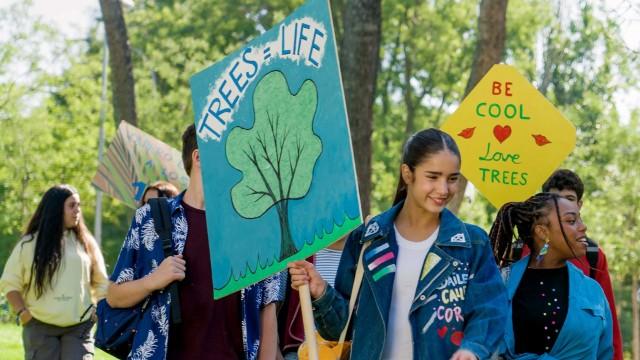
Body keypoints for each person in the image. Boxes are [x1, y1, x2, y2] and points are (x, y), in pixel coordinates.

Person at [288, 128, 508, 360]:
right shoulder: (367, 240)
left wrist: (472, 348)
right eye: (432, 177)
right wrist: (321, 291)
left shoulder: (472, 244)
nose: (444, 190)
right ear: (407, 173)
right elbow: (342, 329)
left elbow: (491, 309)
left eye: (452, 179)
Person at [106, 124, 285, 360]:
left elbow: (268, 309)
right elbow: (114, 296)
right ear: (198, 156)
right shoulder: (149, 218)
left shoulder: (255, 226)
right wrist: (153, 280)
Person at [490, 192, 612, 359]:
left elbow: (605, 353)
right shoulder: (500, 285)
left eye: (580, 219)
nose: (583, 227)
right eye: (571, 221)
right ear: (542, 232)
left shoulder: (593, 291)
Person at [0, 184, 109, 359]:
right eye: (72, 205)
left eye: (79, 205)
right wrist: (23, 313)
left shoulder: (85, 242)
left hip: (78, 328)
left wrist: (96, 312)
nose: (77, 211)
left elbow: (101, 281)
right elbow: (10, 282)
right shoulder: (29, 244)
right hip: (40, 327)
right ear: (56, 209)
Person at [541, 169, 622, 360]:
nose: (561, 205)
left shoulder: (593, 255)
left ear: (579, 205)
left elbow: (609, 324)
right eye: (554, 199)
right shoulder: (523, 250)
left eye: (569, 199)